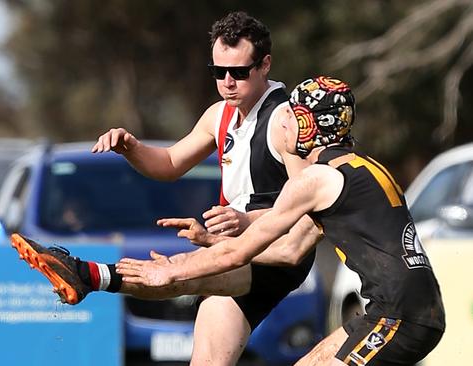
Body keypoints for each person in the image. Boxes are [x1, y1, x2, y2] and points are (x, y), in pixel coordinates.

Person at [116, 76, 446, 366]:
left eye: (290, 114)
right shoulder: (365, 168)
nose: (281, 122)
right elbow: (288, 251)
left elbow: (238, 255)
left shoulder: (314, 180)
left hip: (398, 317)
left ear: (310, 126)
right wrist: (212, 239)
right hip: (402, 311)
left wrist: (172, 269)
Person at [88, 11, 321, 365]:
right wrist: (130, 148)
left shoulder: (285, 122)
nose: (228, 82)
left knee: (175, 274)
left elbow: (309, 206)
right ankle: (91, 276)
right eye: (218, 72)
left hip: (275, 252)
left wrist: (247, 223)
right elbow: (168, 164)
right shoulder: (219, 116)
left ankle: (87, 275)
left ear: (265, 65)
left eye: (239, 72)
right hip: (234, 249)